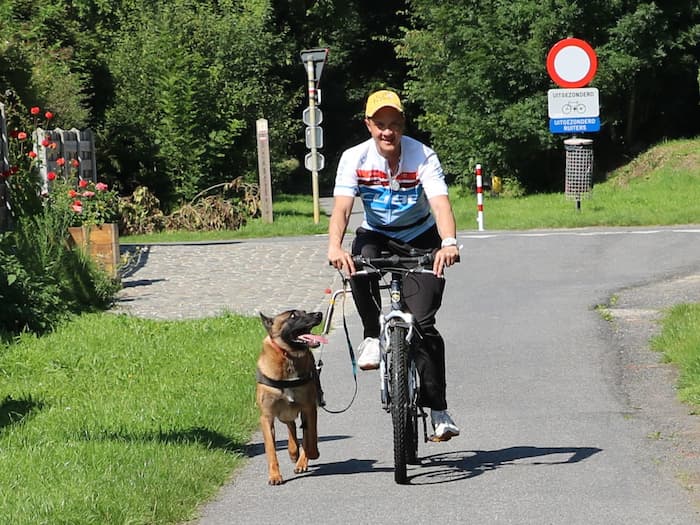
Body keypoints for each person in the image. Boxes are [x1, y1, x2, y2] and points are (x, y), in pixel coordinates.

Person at [327, 89, 460, 441]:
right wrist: (334, 246)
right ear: (369, 125)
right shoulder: (354, 158)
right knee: (358, 262)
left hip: (420, 237)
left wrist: (447, 243)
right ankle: (372, 335)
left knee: (425, 323)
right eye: (380, 125)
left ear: (403, 125)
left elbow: (440, 204)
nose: (387, 132)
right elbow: (341, 208)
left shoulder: (422, 155)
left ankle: (438, 410)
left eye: (394, 124)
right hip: (377, 235)